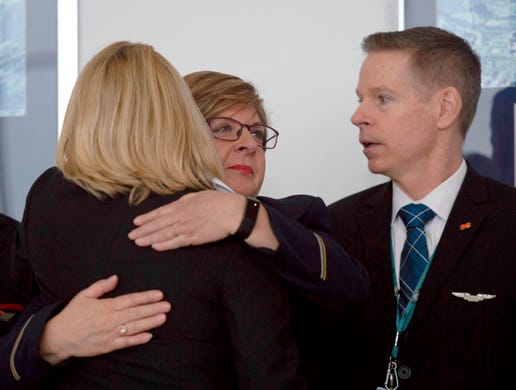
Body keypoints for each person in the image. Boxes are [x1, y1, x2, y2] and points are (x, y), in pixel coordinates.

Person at [1, 70, 369, 389]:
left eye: (258, 133)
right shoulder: (95, 224)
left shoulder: (296, 215)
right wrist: (48, 338)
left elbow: (353, 291)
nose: (249, 144)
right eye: (224, 128)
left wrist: (247, 218)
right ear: (177, 134)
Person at [328, 26, 516, 389]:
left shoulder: (510, 224)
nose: (359, 116)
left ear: (444, 108)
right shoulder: (334, 227)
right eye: (360, 99)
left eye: (382, 98)